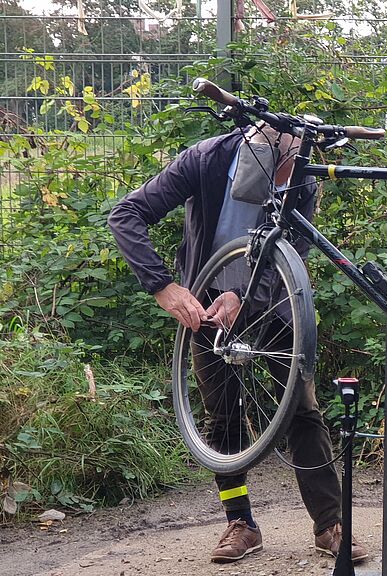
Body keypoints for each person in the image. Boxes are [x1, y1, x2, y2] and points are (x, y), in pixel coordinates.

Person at [108, 122, 369, 565]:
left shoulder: (301, 175)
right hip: (206, 303)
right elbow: (126, 215)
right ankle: (241, 523)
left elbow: (295, 246)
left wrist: (245, 297)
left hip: (273, 299)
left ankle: (329, 524)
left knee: (301, 410)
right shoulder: (207, 160)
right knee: (224, 416)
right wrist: (164, 287)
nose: (290, 182)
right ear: (255, 155)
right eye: (280, 173)